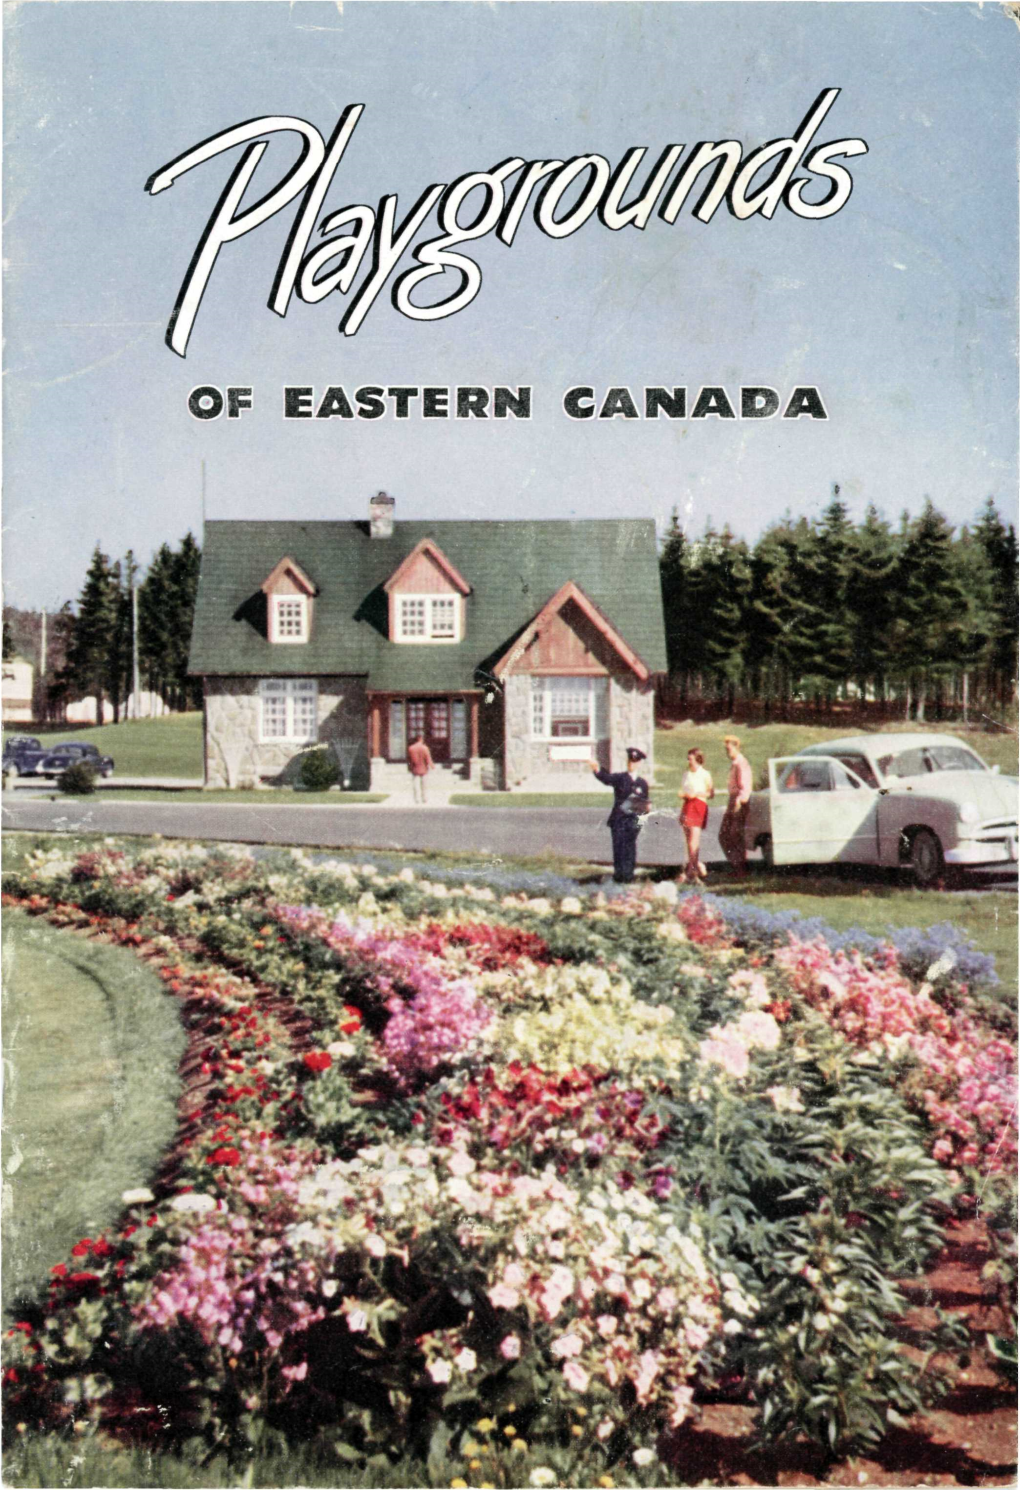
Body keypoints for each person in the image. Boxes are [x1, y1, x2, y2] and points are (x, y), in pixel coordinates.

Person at [589, 747, 650, 883]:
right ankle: (619, 875)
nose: (632, 764)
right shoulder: (621, 778)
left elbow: (645, 807)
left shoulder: (642, 783)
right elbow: (606, 778)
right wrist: (597, 769)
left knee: (630, 848)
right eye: (630, 761)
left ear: (639, 763)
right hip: (619, 820)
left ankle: (628, 876)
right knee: (619, 848)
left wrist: (639, 825)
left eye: (635, 761)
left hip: (633, 821)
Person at [678, 747, 714, 882]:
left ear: (698, 759)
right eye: (688, 759)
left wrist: (697, 794)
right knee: (688, 840)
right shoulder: (686, 774)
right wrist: (684, 794)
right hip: (687, 805)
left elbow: (711, 793)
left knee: (694, 839)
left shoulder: (705, 774)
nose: (689, 761)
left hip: (699, 805)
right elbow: (682, 790)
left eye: (691, 759)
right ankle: (694, 866)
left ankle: (691, 870)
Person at [719, 734, 752, 876]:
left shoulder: (741, 763)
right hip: (732, 800)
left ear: (736, 748)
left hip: (740, 801)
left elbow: (745, 786)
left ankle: (740, 868)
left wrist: (739, 801)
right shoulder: (734, 763)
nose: (728, 752)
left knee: (734, 834)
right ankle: (735, 864)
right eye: (726, 749)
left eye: (729, 749)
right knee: (724, 835)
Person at [407, 732, 433, 804]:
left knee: (416, 785)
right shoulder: (425, 748)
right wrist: (431, 766)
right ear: (421, 739)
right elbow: (428, 759)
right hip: (424, 769)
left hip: (415, 769)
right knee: (424, 785)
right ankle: (424, 798)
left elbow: (409, 760)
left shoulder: (411, 748)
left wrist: (409, 768)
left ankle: (417, 799)